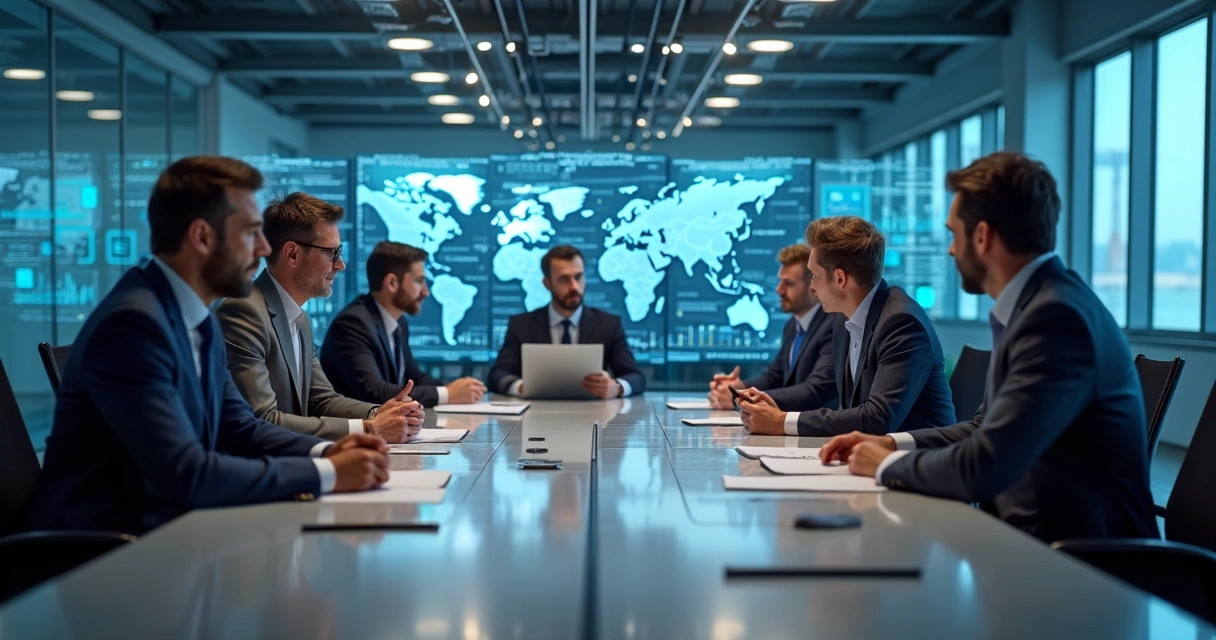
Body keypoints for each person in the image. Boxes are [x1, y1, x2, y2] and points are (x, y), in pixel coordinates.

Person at [28, 157, 391, 534]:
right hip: (105, 548)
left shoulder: (196, 317)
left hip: (169, 529)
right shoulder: (132, 325)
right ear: (202, 237)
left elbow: (241, 428)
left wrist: (327, 450)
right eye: (251, 234)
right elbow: (187, 473)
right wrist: (326, 473)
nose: (263, 248)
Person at [819, 152, 1158, 542]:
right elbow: (982, 429)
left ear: (982, 236)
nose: (950, 250)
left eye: (953, 234)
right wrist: (889, 442)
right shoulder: (1041, 304)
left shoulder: (1056, 318)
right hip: (1033, 542)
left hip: (1077, 559)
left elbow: (984, 465)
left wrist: (885, 465)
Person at [215, 193, 423, 443]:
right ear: (292, 254)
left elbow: (322, 400)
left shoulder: (300, 319)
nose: (340, 264)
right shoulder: (243, 312)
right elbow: (263, 420)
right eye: (331, 252)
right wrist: (369, 428)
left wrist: (380, 413)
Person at [738, 216, 954, 437]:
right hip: (868, 450)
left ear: (840, 279)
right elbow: (850, 410)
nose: (812, 286)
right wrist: (775, 409)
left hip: (917, 455)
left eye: (814, 276)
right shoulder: (844, 319)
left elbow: (878, 419)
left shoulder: (901, 323)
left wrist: (782, 421)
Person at [321, 241, 486, 407]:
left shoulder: (399, 322)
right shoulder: (352, 324)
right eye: (419, 281)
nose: (426, 292)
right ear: (392, 282)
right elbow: (375, 393)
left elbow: (414, 378)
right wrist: (447, 394)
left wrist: (457, 389)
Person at [488, 244, 646, 398]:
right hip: (536, 411)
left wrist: (616, 388)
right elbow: (497, 375)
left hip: (593, 411)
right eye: (564, 279)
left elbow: (636, 377)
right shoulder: (522, 326)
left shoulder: (608, 325)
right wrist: (521, 387)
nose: (574, 287)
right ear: (547, 284)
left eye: (578, 277)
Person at [708, 241, 836, 410]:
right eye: (780, 281)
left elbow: (815, 392)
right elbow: (774, 378)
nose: (779, 289)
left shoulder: (833, 326)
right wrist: (738, 387)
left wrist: (742, 398)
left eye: (788, 283)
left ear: (813, 285)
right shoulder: (793, 326)